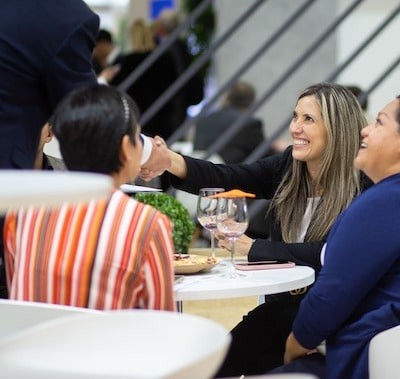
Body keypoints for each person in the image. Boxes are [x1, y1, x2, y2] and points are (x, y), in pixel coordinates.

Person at [141, 82, 372, 376]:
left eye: (308, 119)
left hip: (332, 322)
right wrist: (169, 161)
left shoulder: (363, 185)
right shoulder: (290, 166)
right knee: (212, 366)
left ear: (337, 129)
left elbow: (330, 253)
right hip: (282, 312)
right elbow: (228, 178)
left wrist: (254, 248)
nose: (295, 128)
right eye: (295, 116)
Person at [3, 85, 176, 311]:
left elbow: (16, 298)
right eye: (138, 137)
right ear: (126, 148)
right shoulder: (147, 224)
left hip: (31, 345)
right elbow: (161, 322)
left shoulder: (22, 213)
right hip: (104, 345)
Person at [268, 95, 400, 378]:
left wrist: (294, 345)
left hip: (359, 358)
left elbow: (332, 294)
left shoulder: (385, 201)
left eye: (379, 123)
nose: (365, 130)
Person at [193, 81, 265, 163]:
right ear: (252, 102)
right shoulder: (250, 124)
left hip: (196, 169)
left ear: (229, 98)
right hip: (224, 173)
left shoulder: (204, 119)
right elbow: (263, 158)